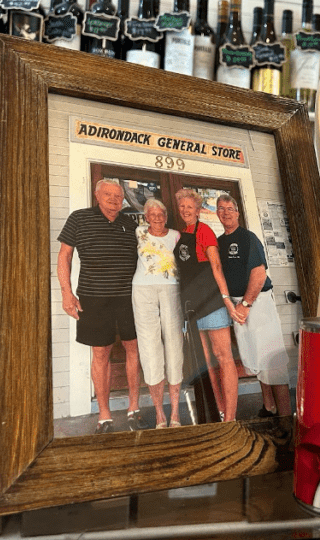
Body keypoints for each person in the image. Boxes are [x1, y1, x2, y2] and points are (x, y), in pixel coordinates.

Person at [57, 179, 147, 434]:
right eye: (108, 195)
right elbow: (64, 255)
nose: (114, 200)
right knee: (101, 353)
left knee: (134, 349)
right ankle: (104, 416)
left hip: (129, 298)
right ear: (97, 196)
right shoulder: (79, 218)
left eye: (118, 196)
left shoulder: (130, 224)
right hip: (93, 298)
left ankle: (133, 408)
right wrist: (66, 293)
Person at [216, 194, 292, 417]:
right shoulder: (219, 243)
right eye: (221, 209)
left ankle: (286, 420)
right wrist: (233, 305)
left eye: (230, 208)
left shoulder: (248, 238)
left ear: (237, 213)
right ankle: (269, 407)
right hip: (238, 305)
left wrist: (246, 304)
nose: (226, 212)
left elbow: (258, 274)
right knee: (255, 359)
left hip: (256, 303)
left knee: (272, 360)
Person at [174, 188, 240, 422]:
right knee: (204, 362)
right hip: (191, 303)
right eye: (182, 206)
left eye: (189, 207)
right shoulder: (181, 234)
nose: (185, 210)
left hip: (211, 300)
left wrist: (225, 299)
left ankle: (230, 416)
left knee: (223, 356)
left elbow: (217, 267)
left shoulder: (205, 232)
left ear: (199, 209)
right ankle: (219, 409)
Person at [132, 199, 183, 429]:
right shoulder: (138, 232)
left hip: (170, 289)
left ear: (166, 215)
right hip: (142, 291)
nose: (157, 217)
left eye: (160, 213)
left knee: (174, 345)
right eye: (152, 214)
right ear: (146, 216)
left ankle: (175, 412)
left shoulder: (176, 235)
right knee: (149, 346)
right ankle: (160, 413)